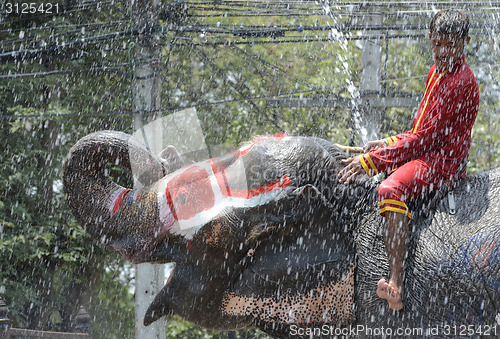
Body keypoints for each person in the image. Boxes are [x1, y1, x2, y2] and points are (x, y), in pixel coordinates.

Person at [337, 9, 479, 311]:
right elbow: (421, 129)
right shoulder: (436, 71)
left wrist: (374, 162)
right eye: (438, 43)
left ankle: (396, 284)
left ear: (465, 42)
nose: (443, 52)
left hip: (443, 161)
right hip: (429, 149)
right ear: (430, 38)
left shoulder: (461, 82)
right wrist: (388, 143)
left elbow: (426, 140)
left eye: (451, 46)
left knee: (389, 189)